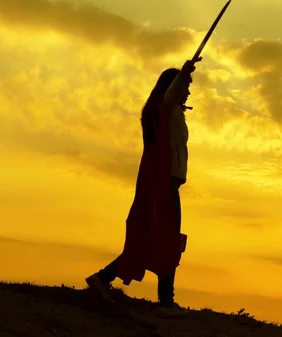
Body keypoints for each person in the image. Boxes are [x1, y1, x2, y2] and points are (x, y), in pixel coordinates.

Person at [85, 58, 200, 316]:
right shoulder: (166, 109)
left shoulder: (172, 112)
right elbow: (171, 95)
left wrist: (184, 76)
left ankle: (105, 278)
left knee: (157, 240)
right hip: (164, 184)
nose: (189, 91)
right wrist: (185, 72)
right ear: (173, 87)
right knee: (167, 240)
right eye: (186, 86)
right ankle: (164, 301)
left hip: (170, 183)